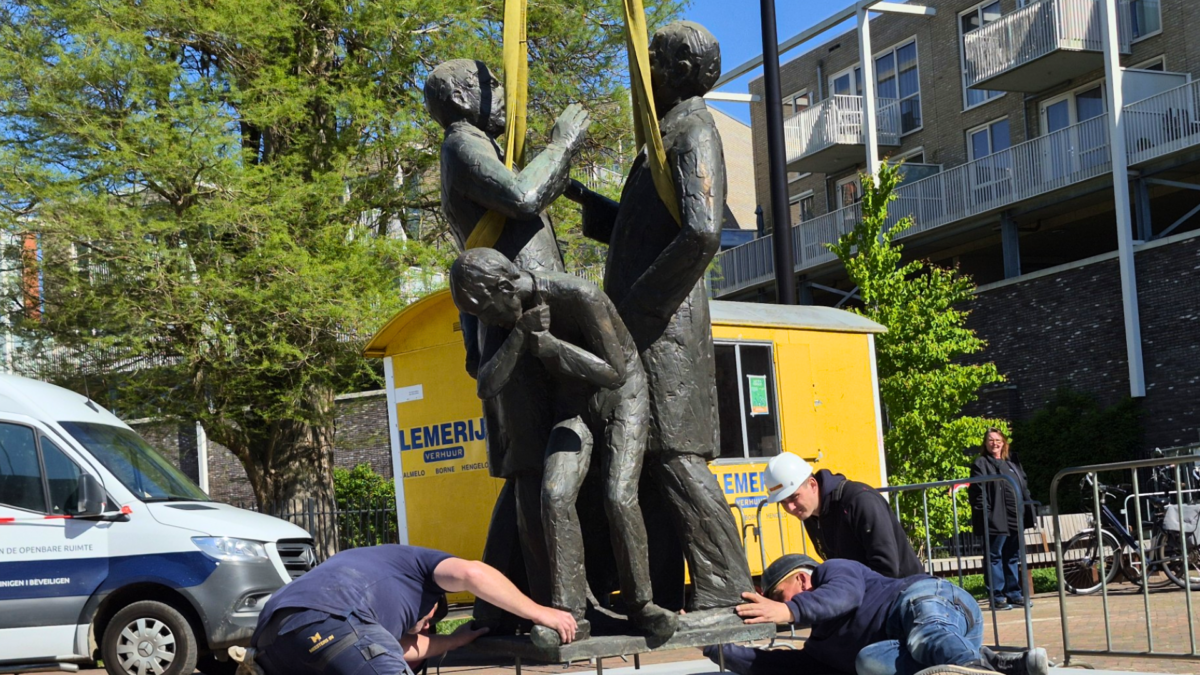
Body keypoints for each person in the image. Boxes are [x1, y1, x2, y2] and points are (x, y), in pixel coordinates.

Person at [565, 20, 753, 611]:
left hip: (664, 327)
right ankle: (660, 585)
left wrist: (637, 309)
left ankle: (726, 583)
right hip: (649, 326)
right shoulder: (663, 133)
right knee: (648, 457)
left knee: (676, 456)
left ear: (682, 71)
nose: (643, 70)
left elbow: (701, 233)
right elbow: (644, 225)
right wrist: (576, 196)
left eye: (653, 59)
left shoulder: (694, 128)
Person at [424, 58, 590, 628]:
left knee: (532, 466)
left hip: (518, 310)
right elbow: (522, 197)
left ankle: (501, 608)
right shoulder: (464, 147)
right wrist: (563, 144)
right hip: (508, 314)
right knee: (530, 470)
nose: (506, 97)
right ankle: (545, 604)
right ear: (466, 98)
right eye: (495, 86)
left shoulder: (477, 147)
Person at [450, 247, 679, 645]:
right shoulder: (504, 318)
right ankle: (568, 616)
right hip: (573, 406)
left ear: (506, 288)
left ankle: (643, 606)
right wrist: (520, 335)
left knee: (619, 496)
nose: (487, 322)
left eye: (488, 312)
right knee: (554, 495)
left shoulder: (578, 295)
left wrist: (552, 346)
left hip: (621, 398)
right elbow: (486, 384)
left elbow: (613, 371)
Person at [246, 545, 576, 675]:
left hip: (270, 640)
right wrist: (538, 612)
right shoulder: (422, 567)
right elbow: (473, 574)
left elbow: (396, 649)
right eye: (427, 627)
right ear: (432, 609)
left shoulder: (370, 568)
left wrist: (453, 642)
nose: (419, 632)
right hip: (333, 620)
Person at [703, 554, 1048, 675]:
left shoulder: (835, 570)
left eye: (778, 595)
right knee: (867, 662)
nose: (774, 610)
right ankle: (999, 665)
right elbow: (771, 667)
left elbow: (843, 597)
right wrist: (711, 643)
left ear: (803, 579)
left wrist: (788, 610)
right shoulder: (820, 649)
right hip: (918, 643)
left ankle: (974, 668)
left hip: (926, 602)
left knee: (924, 634)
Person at [763, 453, 923, 578]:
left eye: (794, 497)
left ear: (812, 484)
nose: (790, 507)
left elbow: (887, 569)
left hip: (909, 599)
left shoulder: (860, 501)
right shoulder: (810, 514)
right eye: (783, 502)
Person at [969, 428, 1036, 610]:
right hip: (995, 517)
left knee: (1012, 556)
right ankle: (997, 597)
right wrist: (986, 514)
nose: (994, 443)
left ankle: (1014, 594)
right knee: (994, 557)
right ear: (985, 443)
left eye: (998, 440)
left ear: (1004, 442)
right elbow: (977, 493)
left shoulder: (1012, 462)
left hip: (1015, 516)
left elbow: (1023, 485)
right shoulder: (981, 464)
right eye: (990, 440)